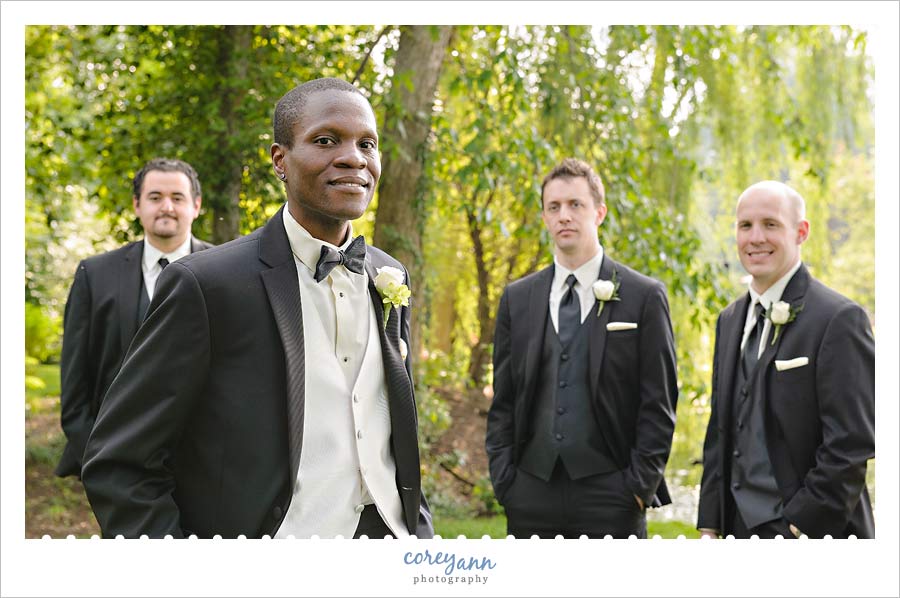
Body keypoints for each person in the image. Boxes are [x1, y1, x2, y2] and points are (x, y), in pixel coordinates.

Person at [81, 77, 433, 539]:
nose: (354, 157)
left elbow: (393, 429)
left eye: (367, 143)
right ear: (280, 160)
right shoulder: (207, 285)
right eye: (326, 140)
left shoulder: (389, 275)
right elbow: (119, 462)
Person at [485, 158, 678, 539]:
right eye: (554, 207)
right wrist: (505, 481)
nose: (564, 216)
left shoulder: (643, 296)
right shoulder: (517, 299)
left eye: (576, 204)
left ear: (599, 212)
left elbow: (659, 401)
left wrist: (638, 487)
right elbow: (503, 400)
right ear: (545, 217)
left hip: (613, 495)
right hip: (530, 493)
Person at [697, 180, 875, 539]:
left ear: (801, 232)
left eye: (770, 224)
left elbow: (852, 442)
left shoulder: (839, 319)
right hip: (736, 529)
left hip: (810, 531)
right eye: (745, 225)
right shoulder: (728, 320)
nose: (755, 238)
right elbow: (720, 432)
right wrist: (710, 524)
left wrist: (802, 523)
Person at [55, 158, 213, 479]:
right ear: (137, 205)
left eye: (177, 198)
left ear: (196, 206)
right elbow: (75, 385)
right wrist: (97, 462)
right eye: (155, 197)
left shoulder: (224, 272)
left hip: (203, 466)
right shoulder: (94, 274)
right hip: (115, 460)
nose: (166, 207)